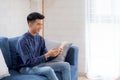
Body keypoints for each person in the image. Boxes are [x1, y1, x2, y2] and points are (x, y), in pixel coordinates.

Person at [16, 12, 71, 80]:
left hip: (38, 64)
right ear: (30, 25)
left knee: (65, 65)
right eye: (38, 24)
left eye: (41, 24)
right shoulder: (23, 41)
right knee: (48, 70)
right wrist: (47, 55)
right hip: (26, 68)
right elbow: (28, 62)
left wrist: (54, 54)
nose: (41, 27)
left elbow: (45, 57)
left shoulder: (40, 39)